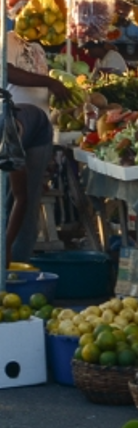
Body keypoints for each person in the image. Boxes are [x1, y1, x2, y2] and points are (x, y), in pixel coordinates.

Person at [5, 31, 66, 263]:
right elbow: (7, 71)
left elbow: (22, 198)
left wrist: (7, 247)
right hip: (23, 123)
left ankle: (17, 263)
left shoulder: (9, 140)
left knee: (24, 199)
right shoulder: (6, 40)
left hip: (37, 130)